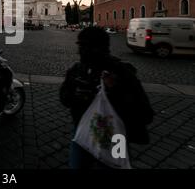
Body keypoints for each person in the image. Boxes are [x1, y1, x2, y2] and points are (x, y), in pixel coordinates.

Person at [60, 27, 154, 169]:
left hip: (116, 136)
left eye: (87, 47)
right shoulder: (77, 71)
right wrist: (75, 95)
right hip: (82, 132)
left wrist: (115, 90)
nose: (82, 51)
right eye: (81, 46)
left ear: (102, 48)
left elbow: (145, 114)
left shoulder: (122, 72)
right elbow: (64, 98)